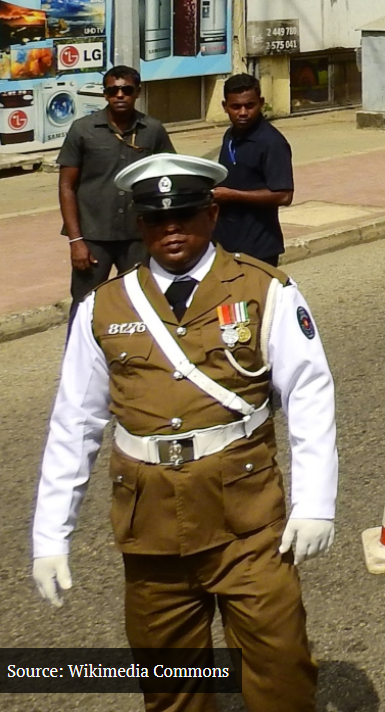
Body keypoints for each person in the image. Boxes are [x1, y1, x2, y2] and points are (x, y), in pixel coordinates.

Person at [31, 153, 338, 712]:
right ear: (139, 225)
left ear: (211, 215)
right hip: (150, 530)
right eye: (156, 219)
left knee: (281, 672)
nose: (171, 229)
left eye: (185, 215)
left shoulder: (264, 289)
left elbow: (309, 393)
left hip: (247, 523)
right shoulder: (104, 306)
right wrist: (51, 534)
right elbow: (75, 422)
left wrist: (315, 503)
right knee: (172, 688)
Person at [58, 65, 175, 310]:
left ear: (138, 92)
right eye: (113, 91)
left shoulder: (153, 130)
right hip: (93, 237)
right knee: (85, 305)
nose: (120, 95)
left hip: (138, 236)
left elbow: (168, 178)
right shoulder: (83, 129)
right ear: (105, 94)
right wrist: (76, 241)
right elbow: (67, 186)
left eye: (126, 90)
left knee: (142, 303)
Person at [212, 74, 294, 267]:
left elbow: (284, 196)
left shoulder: (272, 143)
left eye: (250, 106)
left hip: (258, 248)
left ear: (261, 103)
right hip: (226, 244)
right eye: (235, 107)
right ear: (225, 106)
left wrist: (232, 195)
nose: (243, 113)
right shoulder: (230, 135)